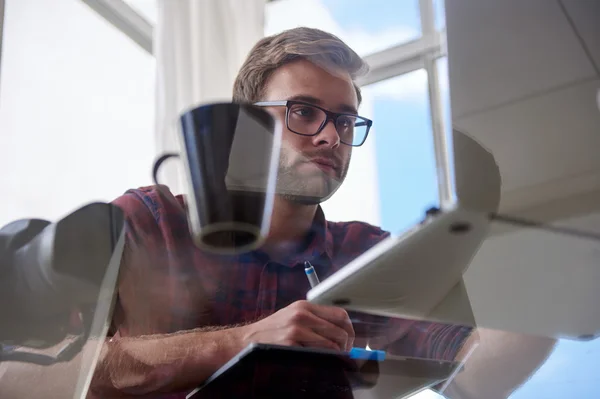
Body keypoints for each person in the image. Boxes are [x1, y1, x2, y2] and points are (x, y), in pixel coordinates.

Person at [87, 27, 555, 398]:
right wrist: (243, 342)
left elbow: (475, 377)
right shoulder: (149, 220)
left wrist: (563, 263)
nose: (331, 137)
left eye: (346, 120)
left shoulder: (366, 254)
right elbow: (50, 368)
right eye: (304, 112)